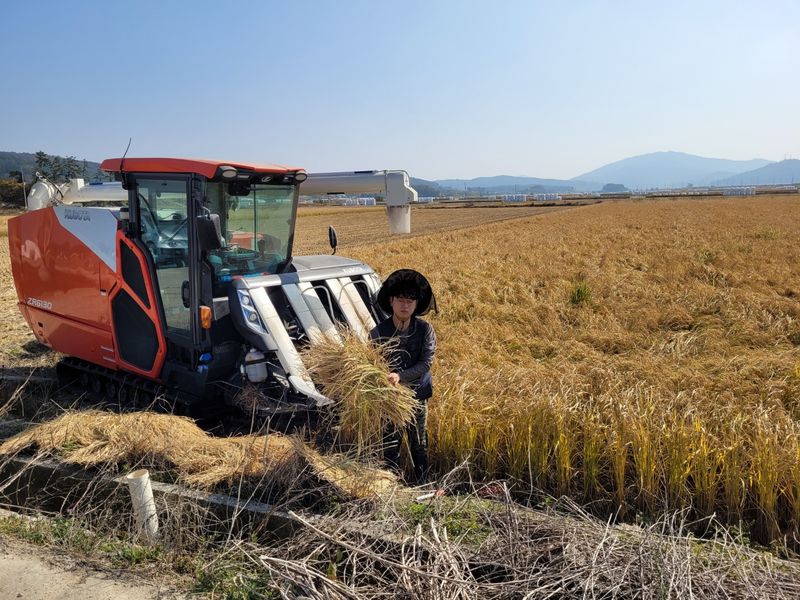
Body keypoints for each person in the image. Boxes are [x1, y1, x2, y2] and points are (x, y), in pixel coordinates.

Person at [369, 269, 437, 484]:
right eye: (400, 300)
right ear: (391, 301)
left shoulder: (425, 330)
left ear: (416, 305)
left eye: (410, 301)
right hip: (391, 399)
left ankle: (422, 485)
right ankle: (391, 487)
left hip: (417, 397)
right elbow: (371, 365)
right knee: (390, 446)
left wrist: (400, 376)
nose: (405, 305)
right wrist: (383, 380)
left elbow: (426, 363)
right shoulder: (378, 333)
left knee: (419, 444)